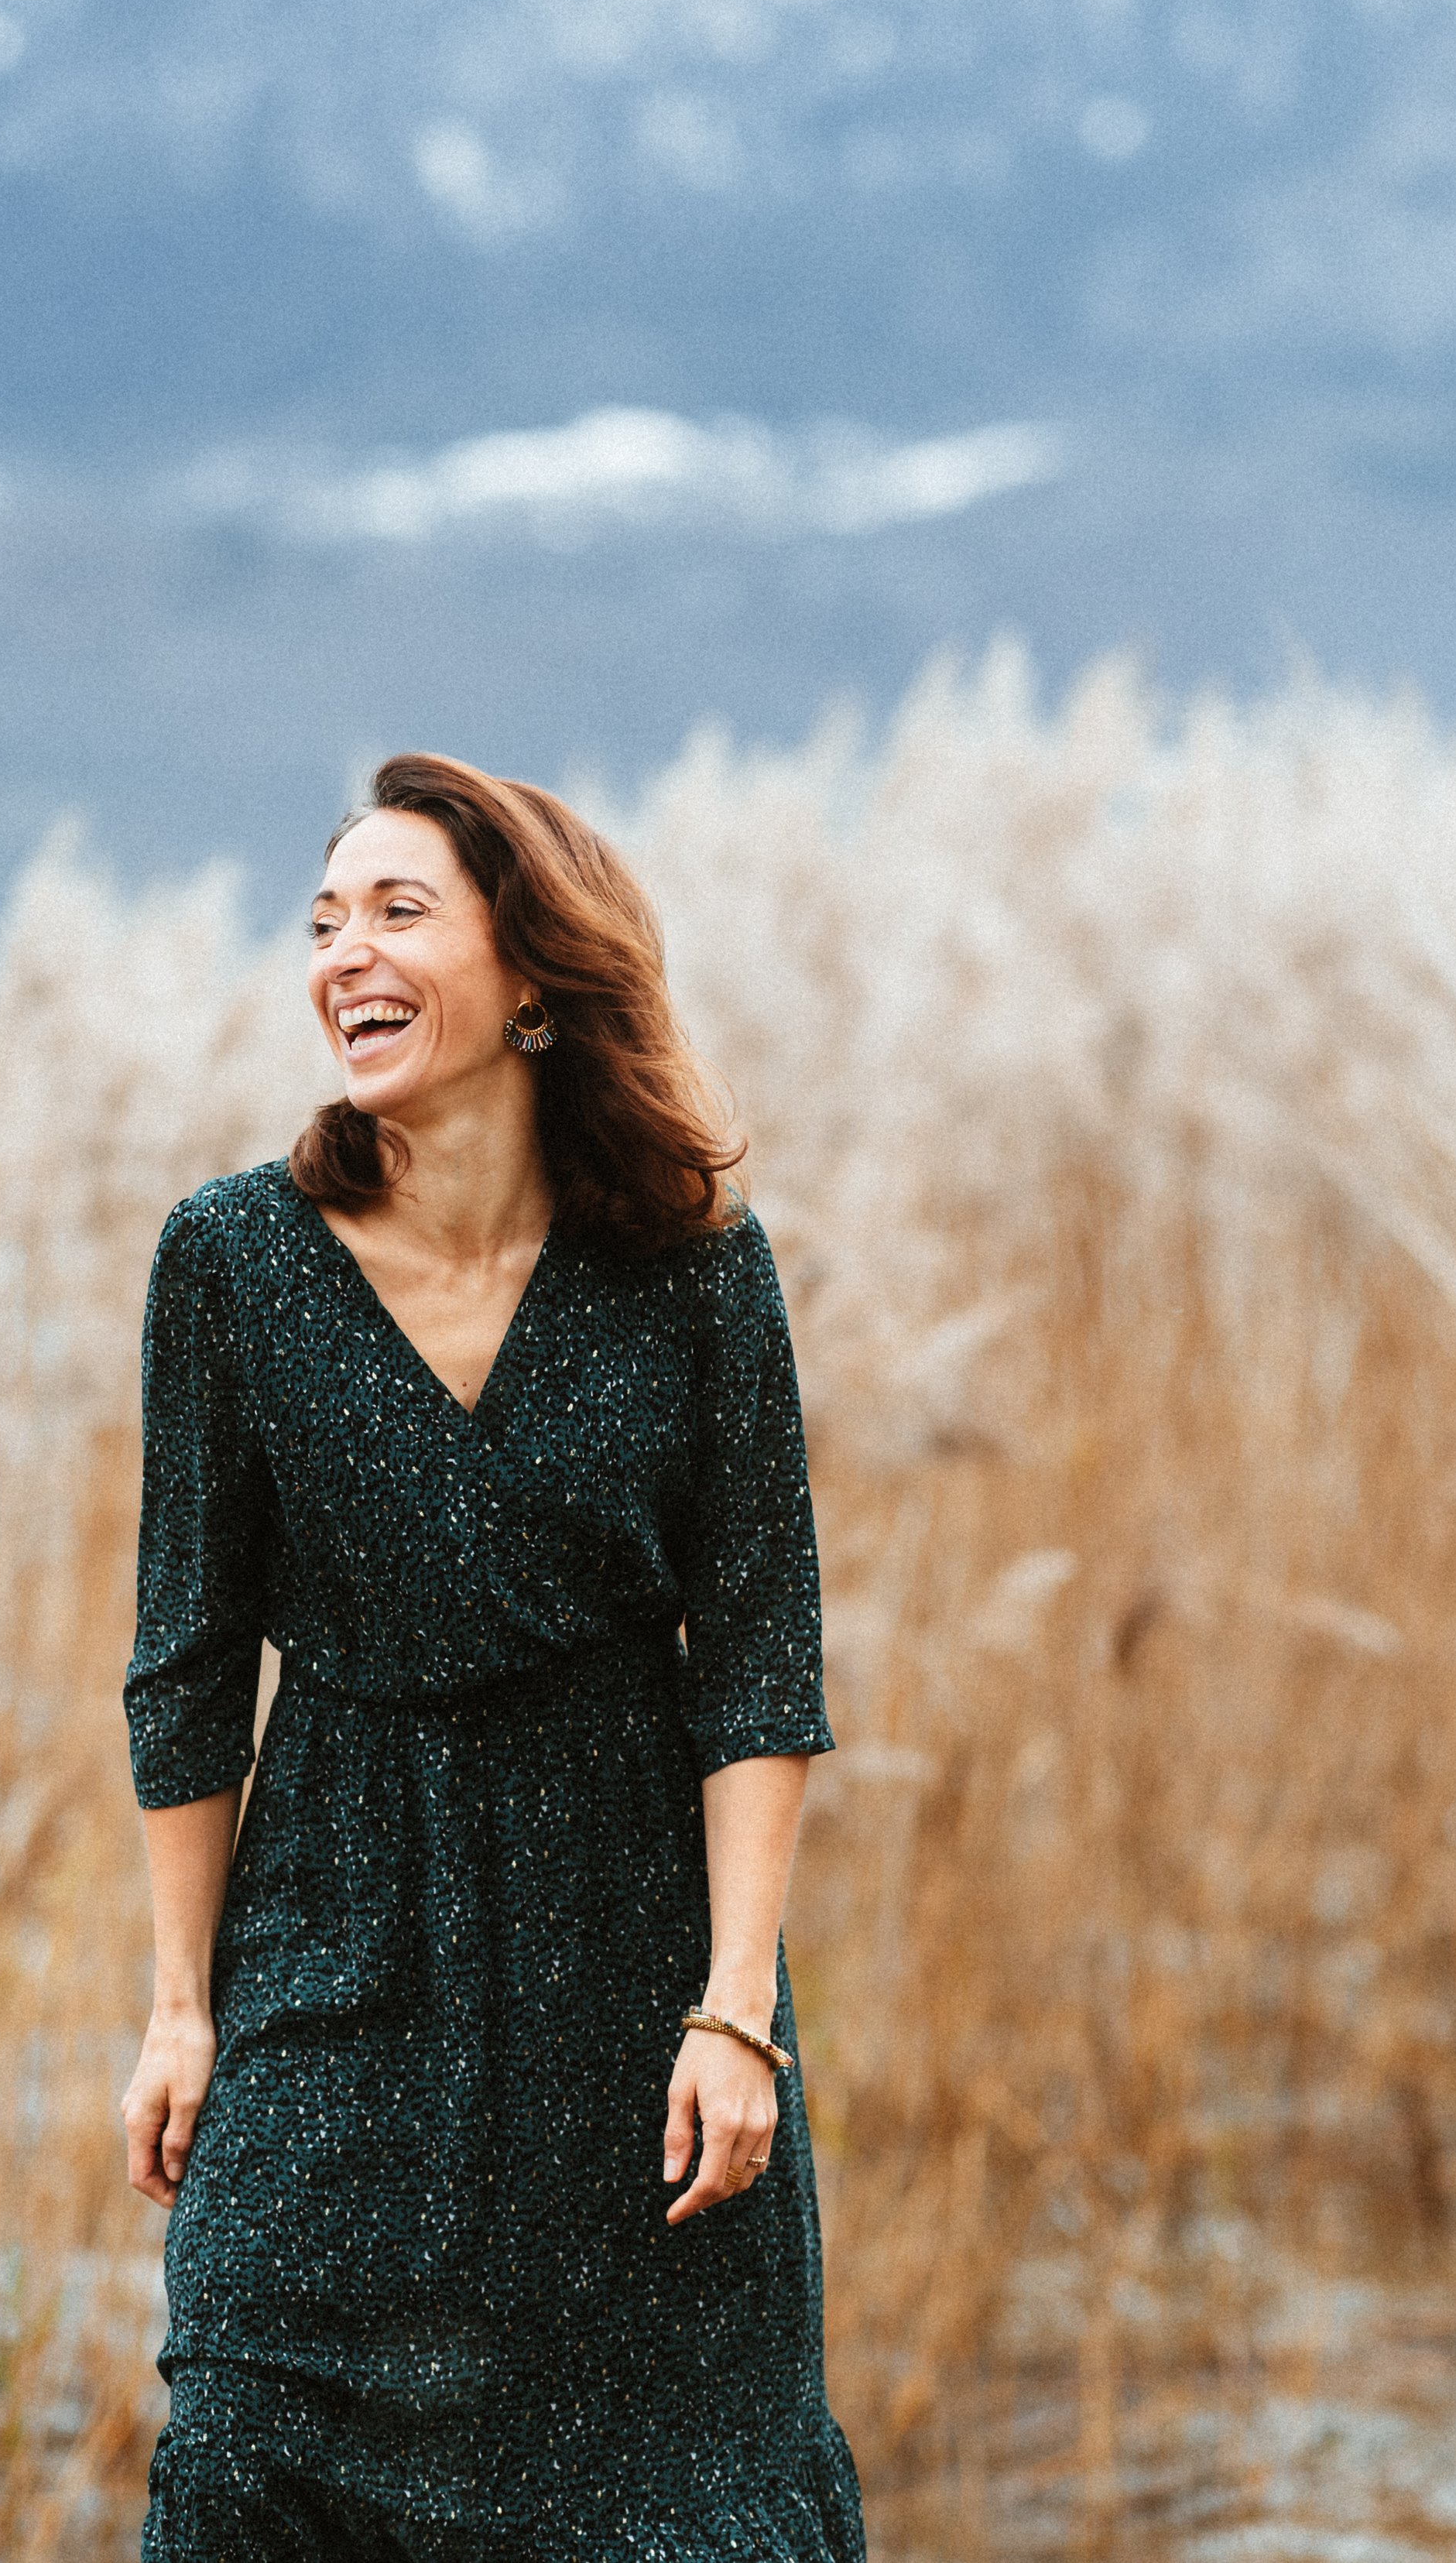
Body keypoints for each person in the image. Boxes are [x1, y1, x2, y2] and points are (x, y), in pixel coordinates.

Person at [120, 752, 866, 2561]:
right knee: (245, 2445)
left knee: (666, 2507)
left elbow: (755, 1661)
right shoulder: (230, 1261)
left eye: (397, 912)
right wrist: (178, 2006)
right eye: (322, 922)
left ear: (530, 970)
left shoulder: (692, 1265)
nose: (342, 956)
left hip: (629, 1976)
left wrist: (734, 2009)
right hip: (330, 1953)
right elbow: (186, 1669)